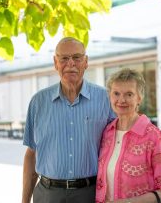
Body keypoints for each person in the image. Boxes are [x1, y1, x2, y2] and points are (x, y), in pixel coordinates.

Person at [22, 37, 115, 203]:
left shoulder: (105, 99)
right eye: (64, 58)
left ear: (86, 62)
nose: (70, 63)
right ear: (55, 62)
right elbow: (31, 153)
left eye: (77, 57)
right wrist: (24, 200)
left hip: (90, 194)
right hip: (47, 195)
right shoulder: (38, 102)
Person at [96, 68, 161, 203]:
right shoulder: (107, 133)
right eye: (116, 93)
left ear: (139, 98)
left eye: (129, 94)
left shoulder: (155, 137)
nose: (121, 100)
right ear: (110, 96)